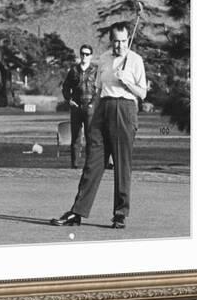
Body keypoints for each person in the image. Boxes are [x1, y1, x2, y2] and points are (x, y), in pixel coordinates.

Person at [51, 25, 147, 229]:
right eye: (116, 41)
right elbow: (98, 87)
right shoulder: (103, 58)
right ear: (110, 41)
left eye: (123, 40)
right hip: (103, 108)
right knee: (92, 162)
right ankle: (76, 212)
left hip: (125, 109)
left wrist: (127, 82)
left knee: (121, 164)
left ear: (127, 39)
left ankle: (120, 214)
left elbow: (143, 93)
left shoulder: (136, 60)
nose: (120, 45)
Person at [61, 44, 98, 169]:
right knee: (76, 138)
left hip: (90, 108)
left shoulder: (95, 71)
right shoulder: (74, 71)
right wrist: (69, 100)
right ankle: (75, 164)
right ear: (80, 54)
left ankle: (89, 164)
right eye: (82, 53)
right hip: (76, 107)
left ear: (91, 56)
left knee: (90, 137)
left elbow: (99, 89)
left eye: (87, 54)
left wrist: (93, 103)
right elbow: (65, 87)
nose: (84, 56)